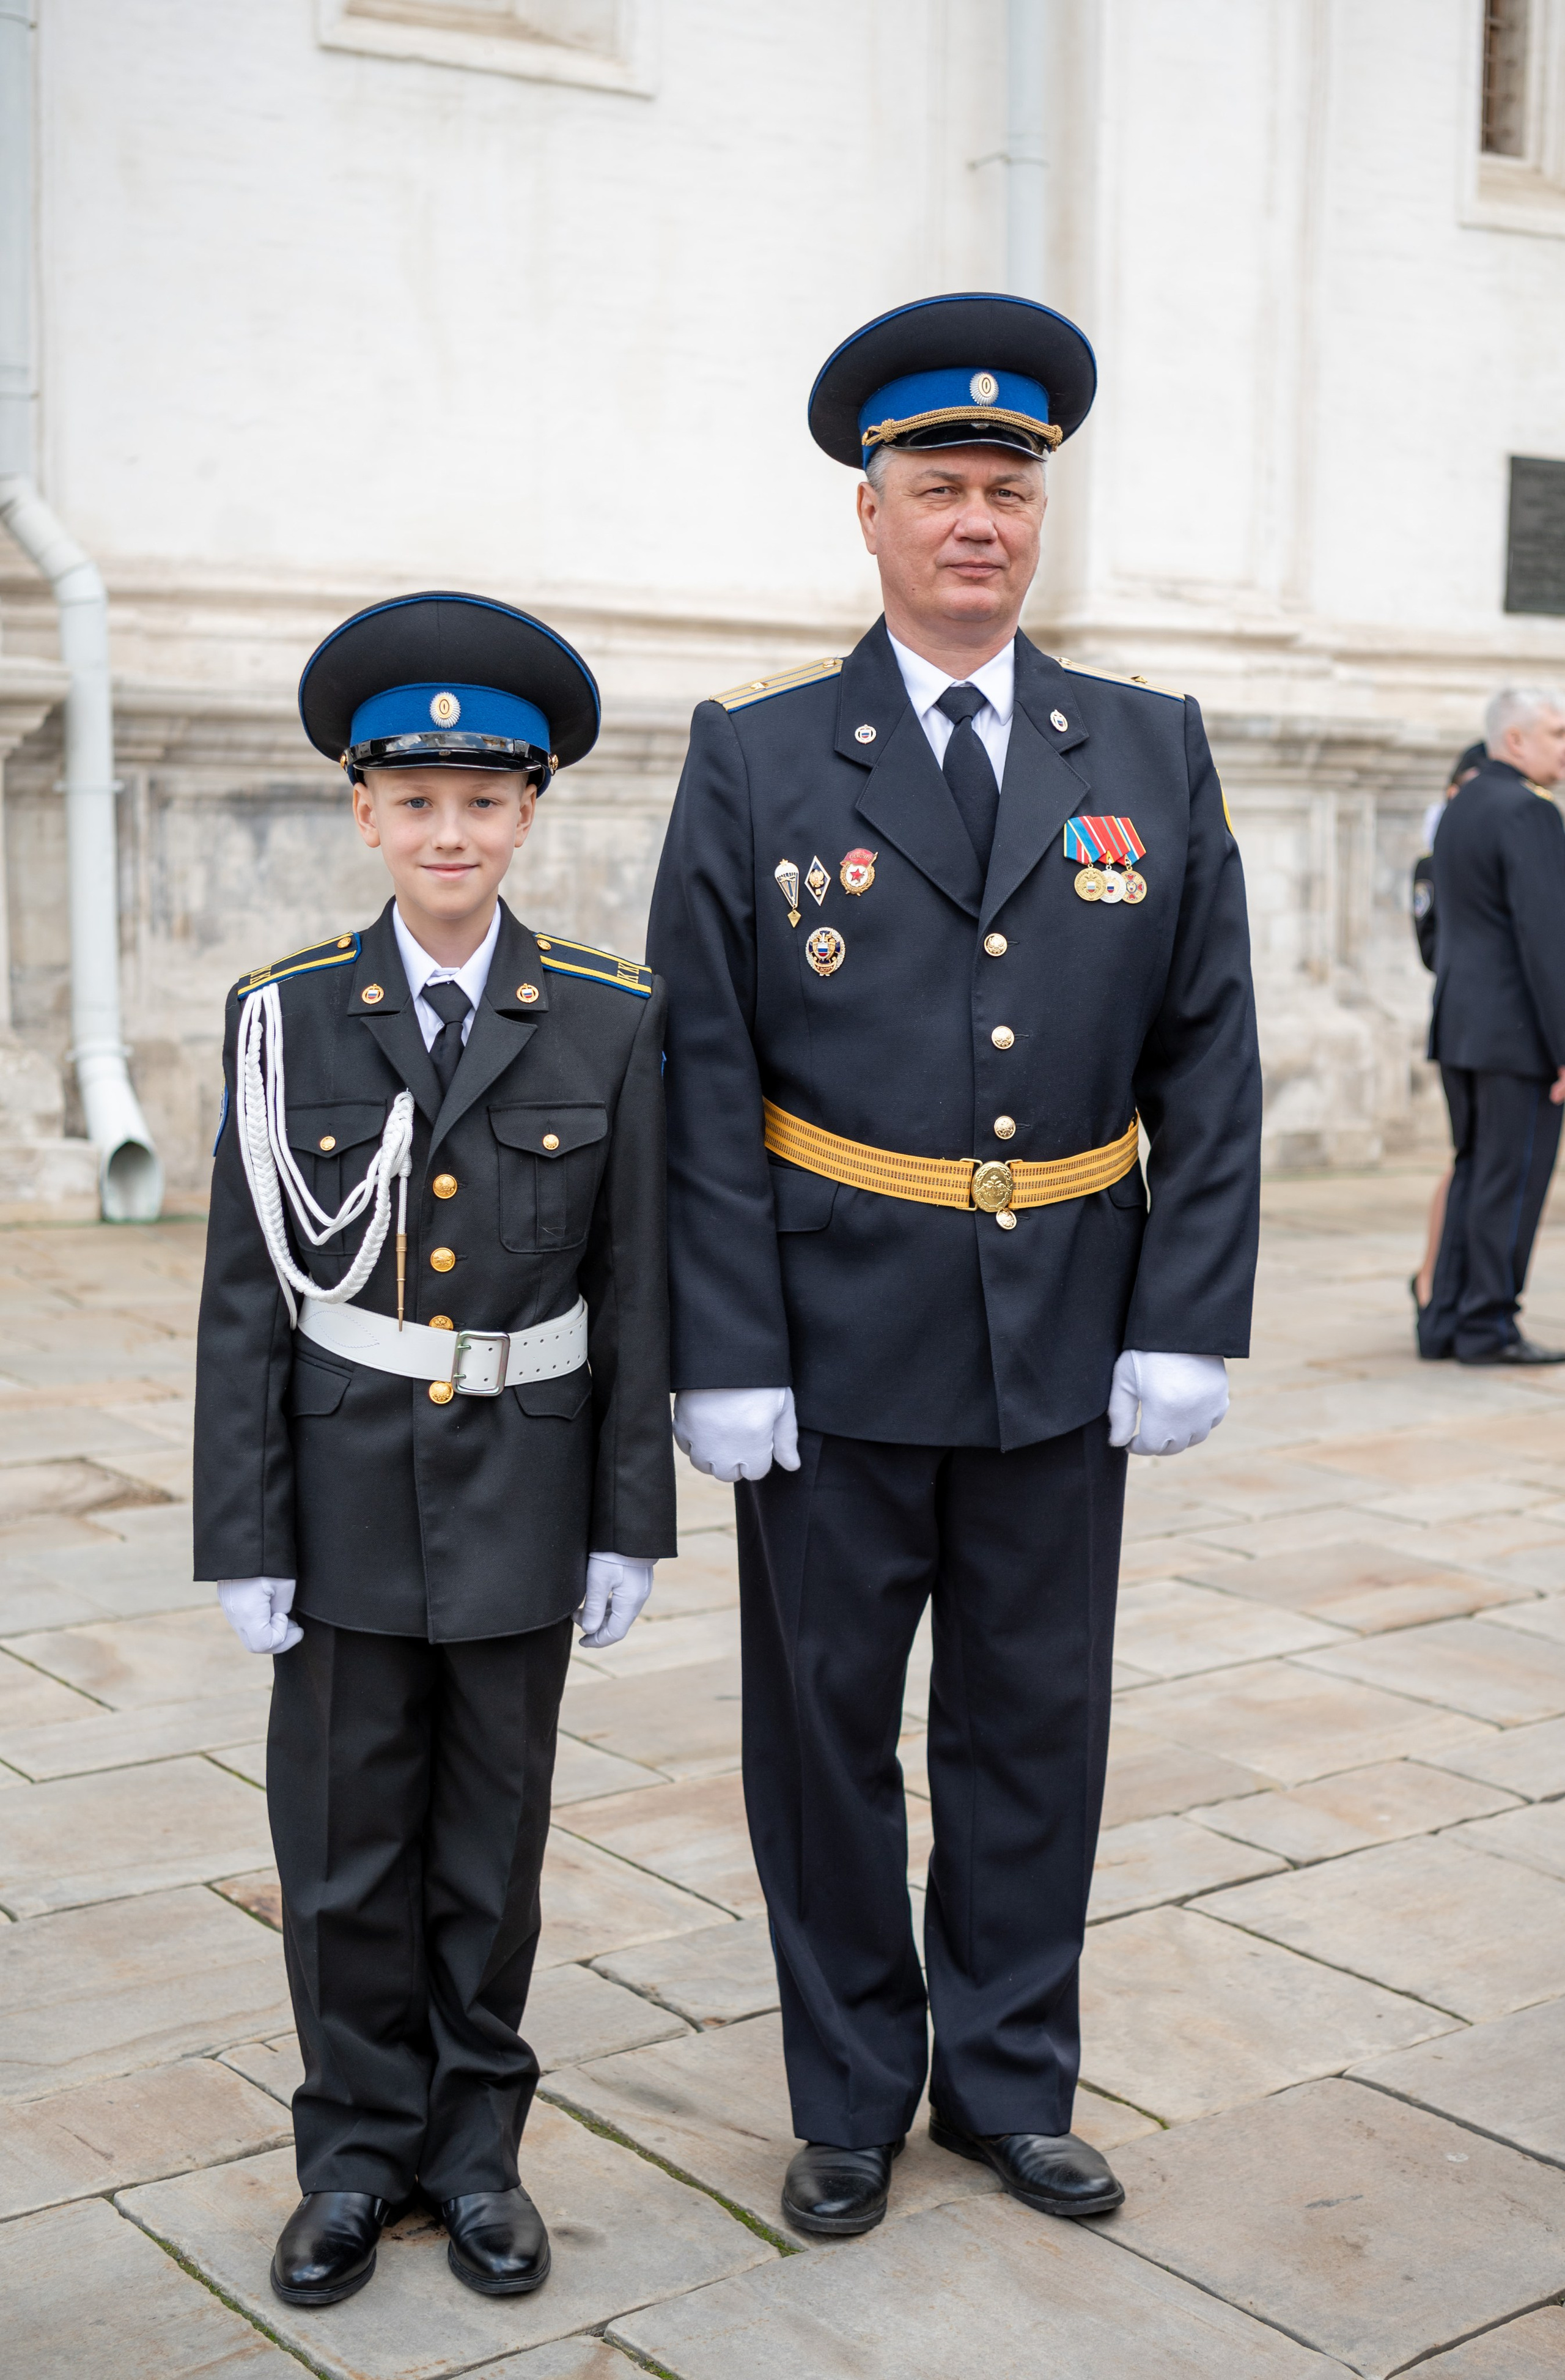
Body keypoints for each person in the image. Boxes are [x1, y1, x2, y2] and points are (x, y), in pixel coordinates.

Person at [646, 294, 1262, 2239]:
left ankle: (1008, 2080)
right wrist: (721, 1343)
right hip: (830, 1335)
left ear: (1038, 513)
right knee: (823, 1731)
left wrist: (1186, 1314)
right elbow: (701, 1068)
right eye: (939, 487)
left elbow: (1209, 1051)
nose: (978, 519)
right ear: (872, 512)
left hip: (1063, 1330)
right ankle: (847, 2093)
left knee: (1033, 1725)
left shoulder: (1146, 744)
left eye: (1009, 488)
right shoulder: (757, 754)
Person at [193, 593, 676, 2307]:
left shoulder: (610, 1015)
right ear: (364, 814)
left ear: (529, 812)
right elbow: (244, 1299)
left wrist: (629, 1518)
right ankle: (349, 2157)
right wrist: (243, 1534)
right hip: (337, 1500)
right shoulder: (285, 1015)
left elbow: (635, 1286)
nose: (449, 831)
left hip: (527, 1495)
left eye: (483, 800)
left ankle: (475, 2157)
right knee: (340, 1855)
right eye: (415, 800)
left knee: (489, 1851)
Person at [1416, 686, 1565, 1364]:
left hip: (1461, 1026)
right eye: (1556, 734)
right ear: (1515, 740)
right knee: (1512, 1181)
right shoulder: (1530, 811)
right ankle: (1488, 1327)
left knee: (1476, 1173)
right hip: (1518, 1035)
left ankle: (1445, 1321)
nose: (1563, 748)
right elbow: (1547, 939)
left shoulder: (1463, 805)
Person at [1410, 741, 1485, 1312]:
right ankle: (1433, 1283)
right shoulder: (1434, 865)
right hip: (1467, 1023)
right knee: (1466, 1161)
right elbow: (1431, 948)